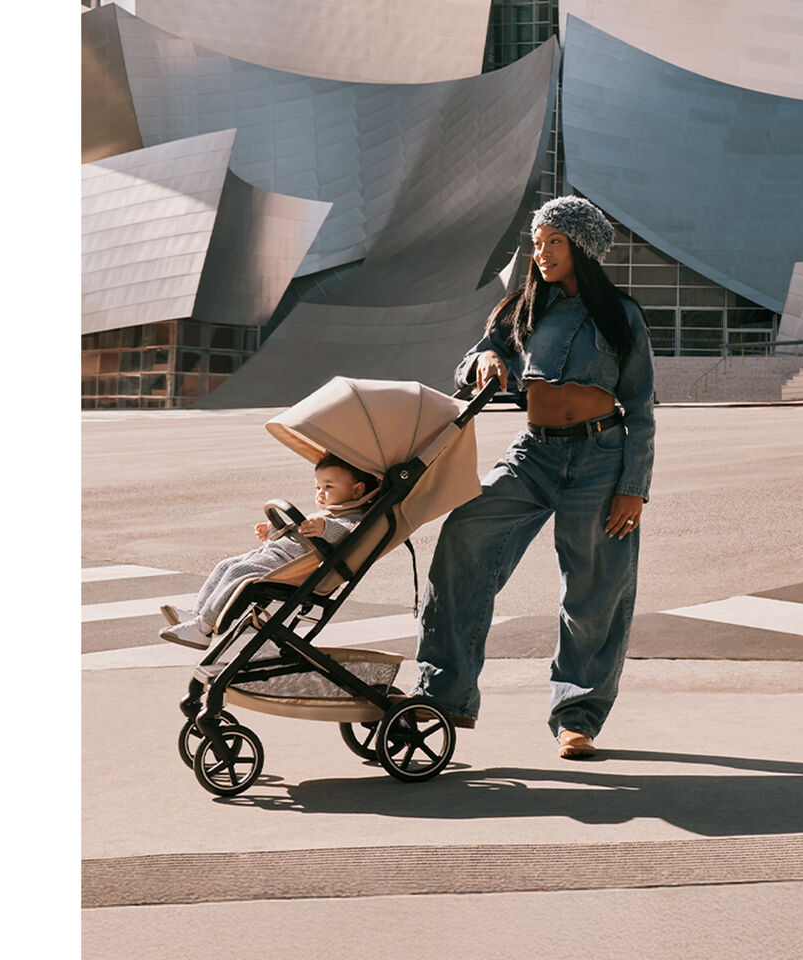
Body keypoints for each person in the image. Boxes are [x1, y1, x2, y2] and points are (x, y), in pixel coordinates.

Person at [410, 196, 655, 758]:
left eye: (554, 243)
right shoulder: (518, 311)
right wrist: (484, 363)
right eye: (538, 243)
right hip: (533, 455)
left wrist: (632, 488)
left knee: (594, 590)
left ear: (582, 249)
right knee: (465, 538)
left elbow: (640, 407)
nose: (541, 253)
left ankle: (577, 717)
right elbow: (472, 360)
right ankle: (443, 695)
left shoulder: (620, 315)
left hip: (601, 459)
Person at [159, 452, 379, 649]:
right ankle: (200, 613)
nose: (320, 493)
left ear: (357, 490)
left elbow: (346, 536)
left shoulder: (352, 517)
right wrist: (274, 530)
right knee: (225, 565)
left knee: (239, 573)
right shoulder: (332, 511)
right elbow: (300, 533)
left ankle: (202, 629)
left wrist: (324, 528)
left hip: (288, 565)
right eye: (317, 487)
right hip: (274, 553)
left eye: (328, 487)